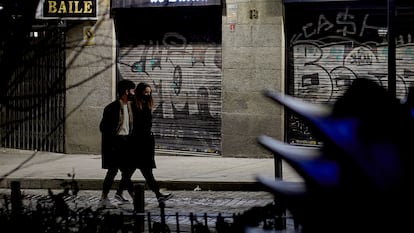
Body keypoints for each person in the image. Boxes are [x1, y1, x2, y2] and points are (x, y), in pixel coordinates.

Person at [128, 82, 173, 202]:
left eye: (149, 92)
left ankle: (158, 195)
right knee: (135, 171)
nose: (148, 94)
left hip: (146, 141)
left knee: (144, 171)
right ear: (140, 92)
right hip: (137, 141)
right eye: (146, 92)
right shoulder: (134, 105)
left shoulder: (147, 104)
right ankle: (157, 195)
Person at [98, 79, 136, 209]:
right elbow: (103, 127)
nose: (134, 93)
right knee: (113, 171)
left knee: (126, 171)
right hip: (115, 143)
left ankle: (129, 196)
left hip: (126, 142)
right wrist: (112, 143)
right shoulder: (112, 108)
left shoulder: (131, 107)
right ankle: (104, 197)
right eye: (132, 90)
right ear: (126, 91)